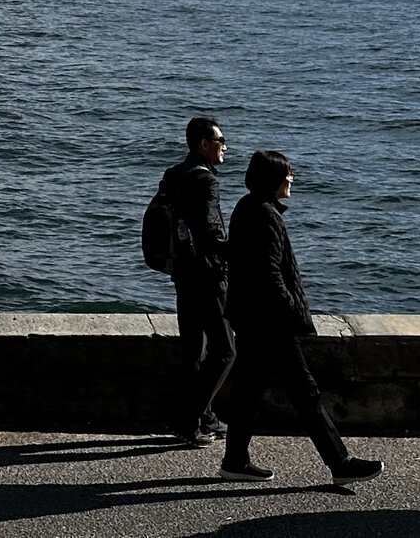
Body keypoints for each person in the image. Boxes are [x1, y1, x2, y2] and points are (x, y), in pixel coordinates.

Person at [218, 149, 383, 485]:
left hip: (248, 317)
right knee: (304, 392)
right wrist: (293, 312)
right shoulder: (267, 216)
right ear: (274, 179)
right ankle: (340, 462)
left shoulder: (245, 207)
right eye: (287, 173)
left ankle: (235, 460)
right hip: (270, 323)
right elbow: (270, 276)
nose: (291, 179)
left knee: (248, 390)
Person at [160, 115, 236, 444]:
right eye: (220, 142)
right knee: (225, 350)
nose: (225, 147)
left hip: (183, 274)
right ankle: (191, 420)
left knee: (194, 351)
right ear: (204, 145)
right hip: (207, 275)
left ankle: (204, 418)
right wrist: (238, 250)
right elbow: (210, 233)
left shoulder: (174, 174)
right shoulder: (206, 181)